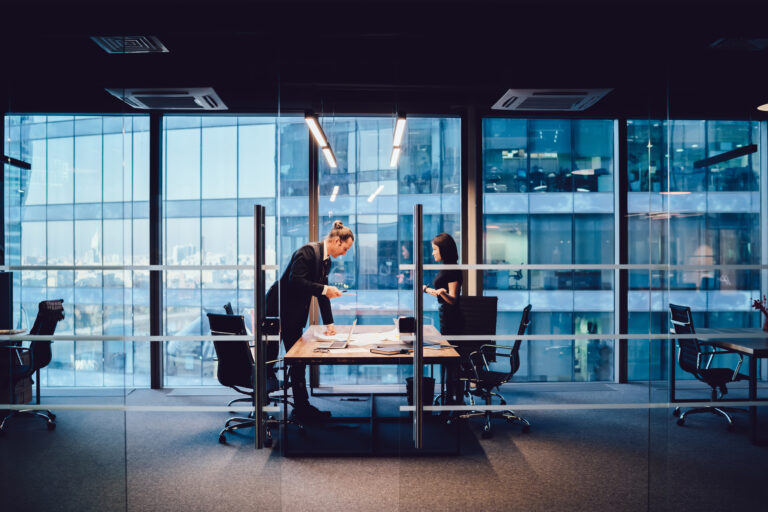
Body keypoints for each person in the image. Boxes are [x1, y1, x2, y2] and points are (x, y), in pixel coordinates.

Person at [265, 220, 354, 421]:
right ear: (337, 241)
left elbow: (323, 294)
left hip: (294, 313)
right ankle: (264, 409)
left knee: (298, 362)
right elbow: (295, 282)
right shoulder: (307, 252)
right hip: (277, 311)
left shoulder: (325, 260)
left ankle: (302, 408)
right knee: (270, 358)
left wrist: (330, 325)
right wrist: (324, 289)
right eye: (345, 248)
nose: (345, 254)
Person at [422, 232, 463, 404]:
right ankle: (449, 397)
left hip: (453, 319)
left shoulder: (453, 269)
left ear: (444, 250)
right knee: (447, 361)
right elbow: (441, 294)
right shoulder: (446, 267)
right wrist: (426, 290)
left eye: (435, 249)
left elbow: (453, 298)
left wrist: (443, 293)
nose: (433, 253)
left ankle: (455, 400)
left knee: (451, 361)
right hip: (445, 315)